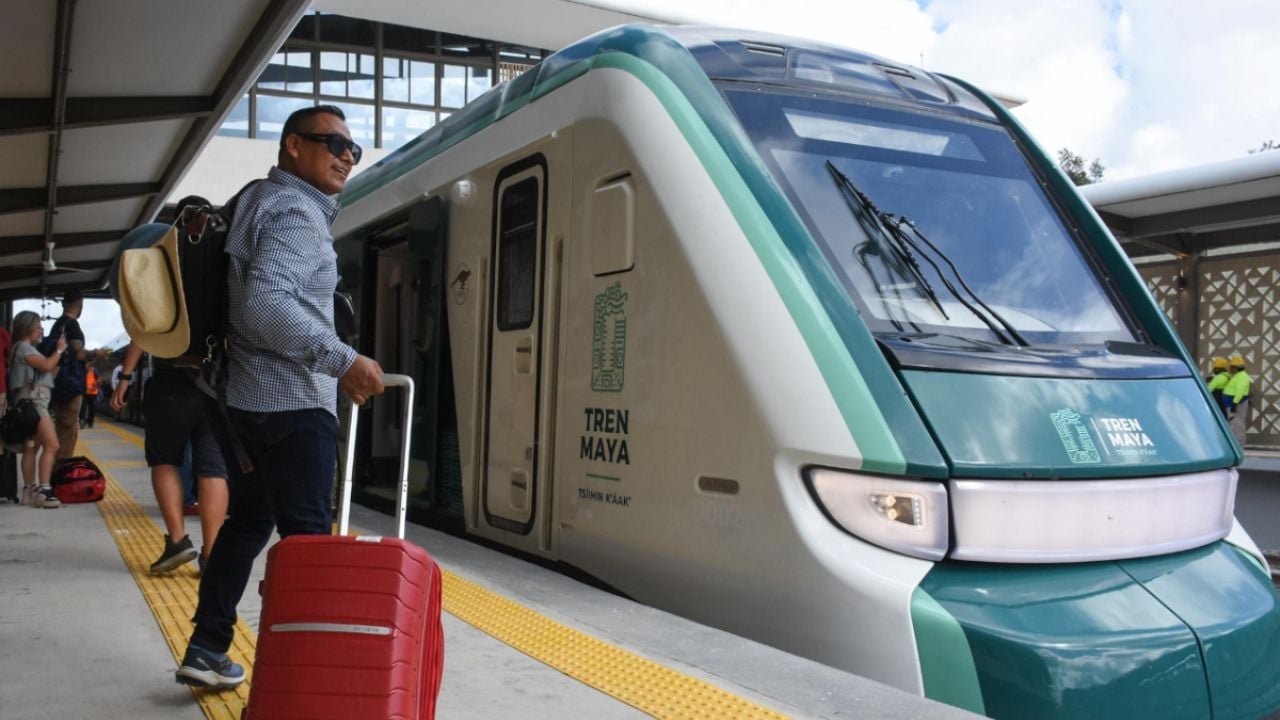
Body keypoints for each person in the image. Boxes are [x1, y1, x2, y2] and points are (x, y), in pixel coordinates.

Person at [175, 105, 385, 689]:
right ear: (293, 144)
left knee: (248, 522)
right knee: (309, 545)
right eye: (333, 144)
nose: (346, 157)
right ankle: (303, 681)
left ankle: (207, 647)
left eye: (352, 149)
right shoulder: (295, 210)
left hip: (241, 401)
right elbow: (266, 306)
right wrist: (344, 361)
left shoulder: (257, 198)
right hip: (290, 403)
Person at [111, 341, 230, 575]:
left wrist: (125, 378)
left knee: (164, 461)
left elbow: (142, 334)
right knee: (213, 470)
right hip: (215, 385)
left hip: (171, 382)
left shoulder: (167, 309)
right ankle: (212, 555)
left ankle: (177, 542)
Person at [8, 311, 65, 508]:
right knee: (52, 445)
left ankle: (28, 491)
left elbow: (46, 373)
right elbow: (46, 366)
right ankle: (44, 491)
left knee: (31, 447)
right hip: (35, 403)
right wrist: (59, 351)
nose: (41, 330)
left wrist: (58, 359)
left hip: (28, 402)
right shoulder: (24, 348)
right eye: (38, 327)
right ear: (27, 327)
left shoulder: (22, 348)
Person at [47, 289, 88, 459]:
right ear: (80, 304)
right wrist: (96, 354)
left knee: (61, 428)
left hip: (58, 383)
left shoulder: (57, 325)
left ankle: (56, 468)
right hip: (70, 385)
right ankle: (61, 470)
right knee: (67, 432)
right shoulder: (72, 325)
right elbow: (78, 353)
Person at [1222, 354, 1252, 447]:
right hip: (1232, 403)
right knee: (1234, 424)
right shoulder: (1238, 376)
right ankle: (1234, 444)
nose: (1229, 369)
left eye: (1231, 367)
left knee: (1237, 424)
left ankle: (1238, 444)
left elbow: (1240, 391)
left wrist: (1234, 403)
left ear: (1235, 368)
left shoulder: (1242, 377)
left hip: (1236, 403)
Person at [80, 364, 99, 429]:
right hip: (85, 392)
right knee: (84, 407)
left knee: (90, 408)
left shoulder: (94, 372)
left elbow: (99, 380)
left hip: (92, 393)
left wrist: (96, 384)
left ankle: (89, 422)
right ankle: (83, 420)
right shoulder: (84, 372)